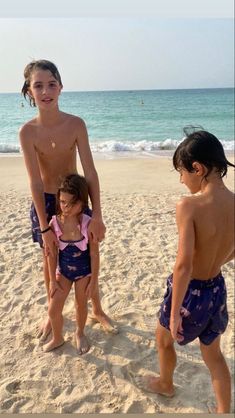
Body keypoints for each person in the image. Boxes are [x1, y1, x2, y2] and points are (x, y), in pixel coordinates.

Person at [19, 59, 117, 340]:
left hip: (77, 198)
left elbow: (91, 173)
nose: (46, 91)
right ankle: (53, 312)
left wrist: (97, 214)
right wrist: (45, 227)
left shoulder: (75, 124)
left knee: (89, 253)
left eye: (51, 84)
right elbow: (35, 181)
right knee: (50, 257)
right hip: (47, 202)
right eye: (38, 85)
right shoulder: (28, 132)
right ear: (30, 91)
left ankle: (96, 307)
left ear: (61, 87)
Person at [142, 129, 234, 413]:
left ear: (198, 168)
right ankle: (223, 410)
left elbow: (183, 265)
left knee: (163, 338)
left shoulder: (189, 206)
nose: (181, 180)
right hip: (216, 288)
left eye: (181, 172)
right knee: (214, 356)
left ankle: (166, 384)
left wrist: (174, 312)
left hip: (190, 291)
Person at [43, 174, 99, 354]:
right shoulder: (55, 223)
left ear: (82, 202)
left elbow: (94, 254)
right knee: (53, 309)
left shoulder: (88, 224)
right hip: (64, 272)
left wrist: (94, 281)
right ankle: (57, 337)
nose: (65, 208)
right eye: (62, 202)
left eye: (71, 203)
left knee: (80, 305)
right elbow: (51, 255)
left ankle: (80, 333)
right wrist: (52, 279)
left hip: (84, 273)